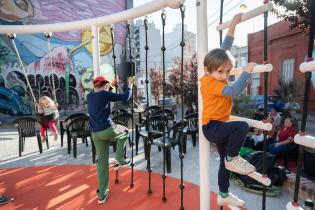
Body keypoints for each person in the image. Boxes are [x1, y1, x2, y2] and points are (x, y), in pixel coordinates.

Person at [200, 13, 257, 207]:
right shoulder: (210, 83)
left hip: (218, 125)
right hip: (212, 127)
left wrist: (233, 25)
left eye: (227, 71)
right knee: (242, 126)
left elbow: (224, 48)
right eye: (220, 72)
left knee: (224, 163)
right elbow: (234, 90)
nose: (224, 75)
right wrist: (246, 72)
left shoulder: (214, 70)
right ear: (207, 70)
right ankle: (233, 158)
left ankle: (223, 193)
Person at [87, 75, 135, 204]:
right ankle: (119, 158)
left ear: (94, 86)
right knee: (124, 132)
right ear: (104, 86)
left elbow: (103, 94)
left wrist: (111, 86)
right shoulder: (105, 94)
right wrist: (130, 85)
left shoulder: (90, 96)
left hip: (95, 134)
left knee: (102, 164)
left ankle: (102, 195)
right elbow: (125, 97)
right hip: (107, 129)